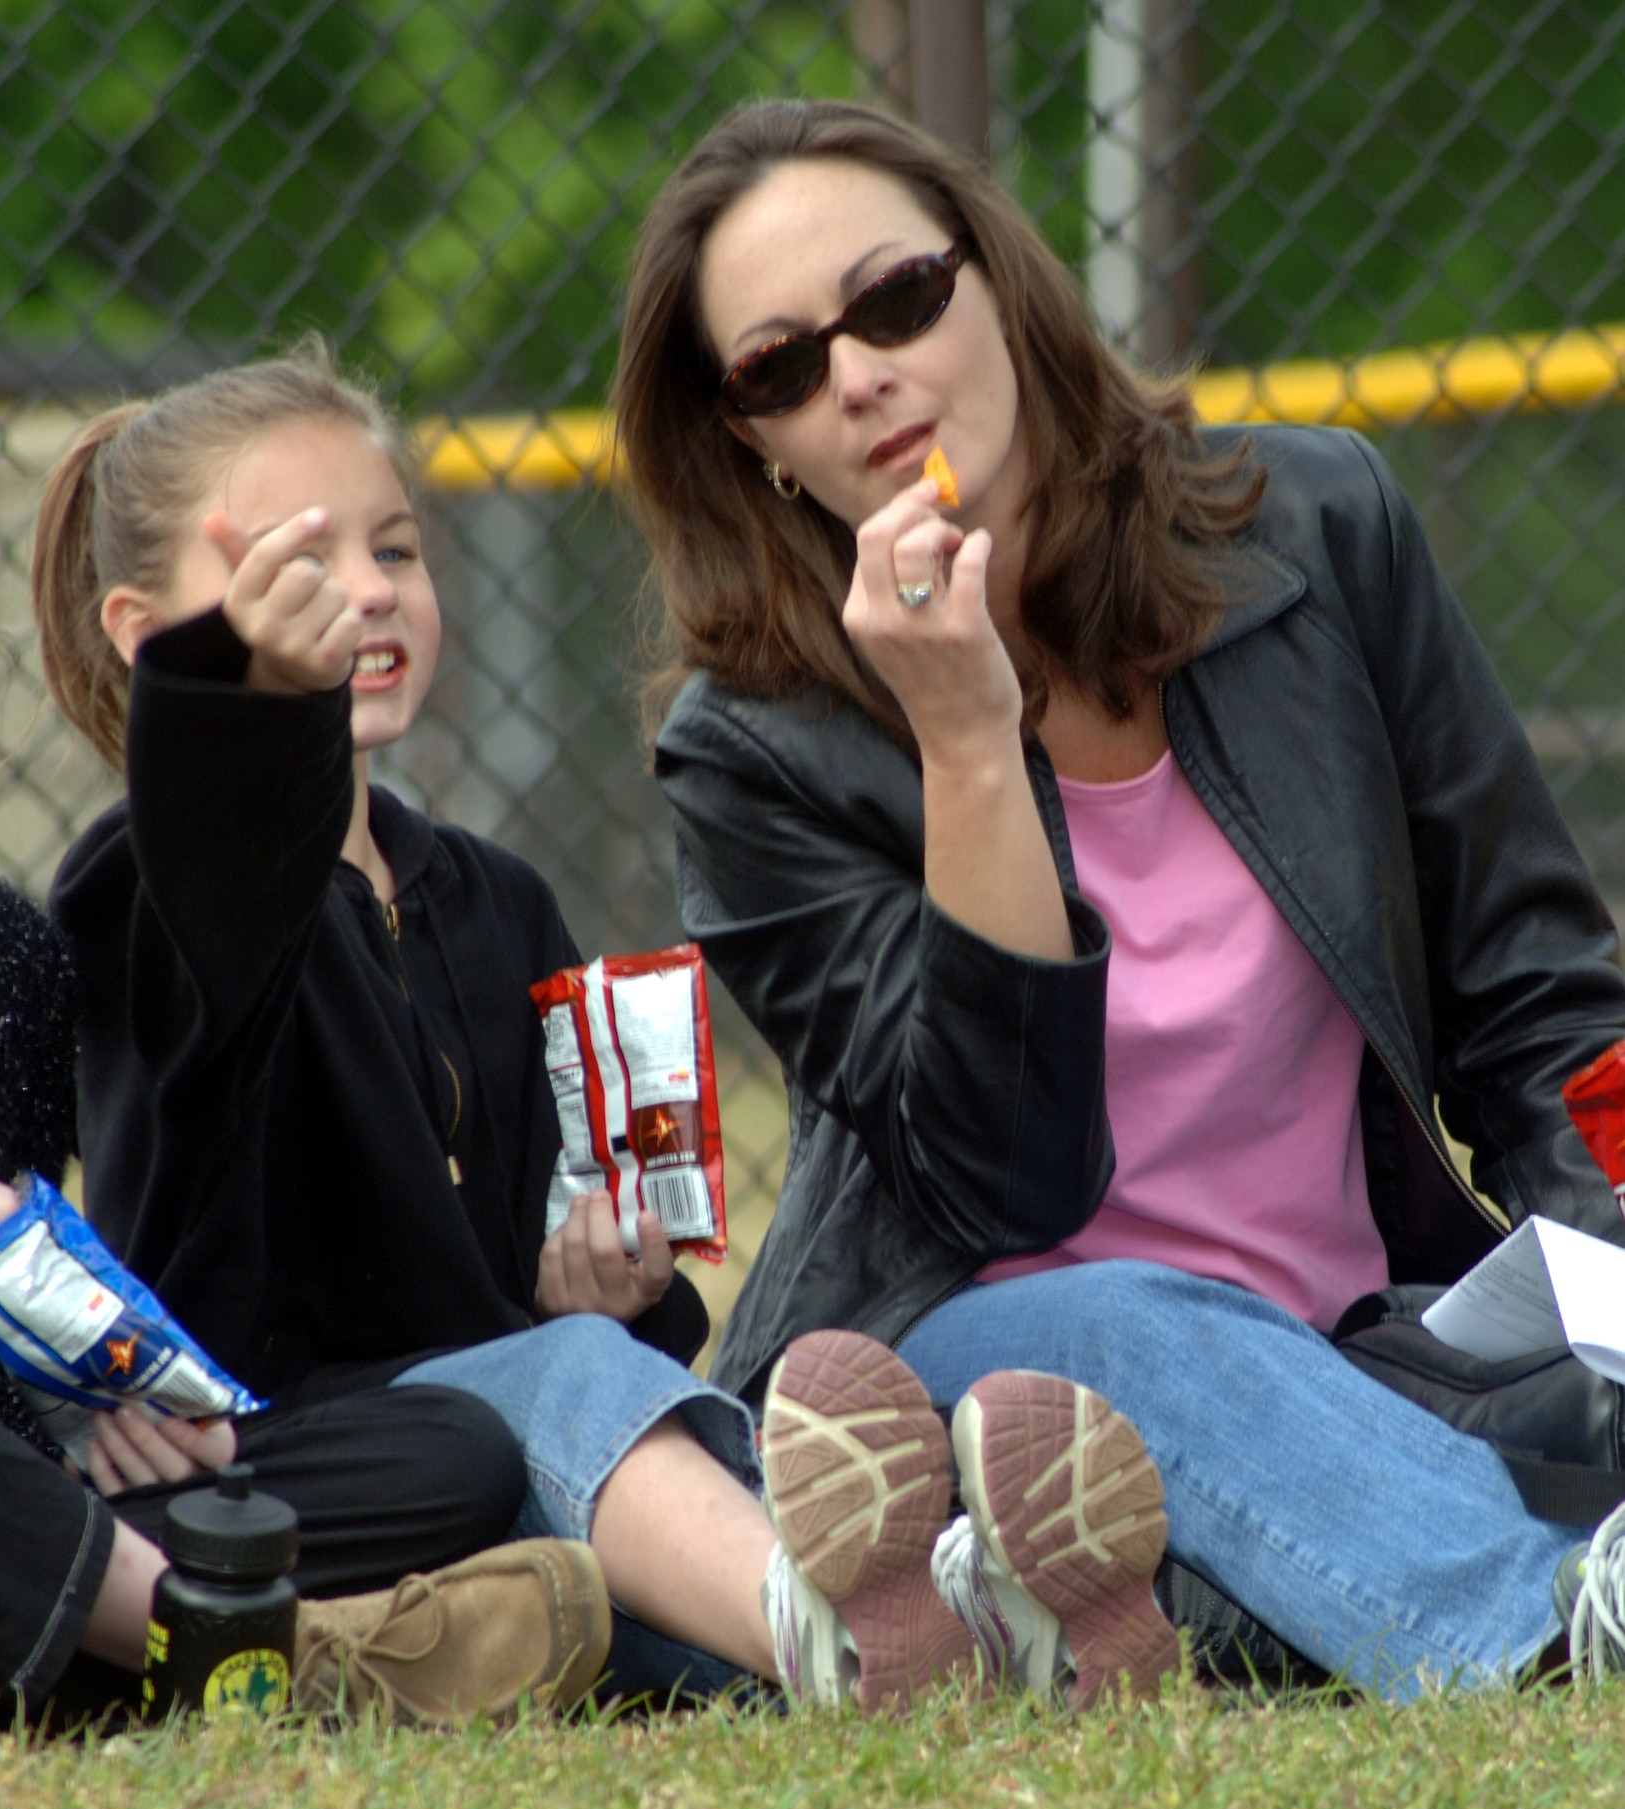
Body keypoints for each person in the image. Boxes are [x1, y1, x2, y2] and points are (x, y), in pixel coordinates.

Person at [618, 97, 1625, 1701]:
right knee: (1132, 1330)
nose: (858, 374)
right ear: (754, 441)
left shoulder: (1315, 528)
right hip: (991, 1353)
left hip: (1359, 1346)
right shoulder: (749, 750)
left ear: (998, 282)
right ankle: (1541, 1629)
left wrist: (1609, 1248)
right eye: (780, 367)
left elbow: (1535, 996)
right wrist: (964, 737)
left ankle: (1082, 1611)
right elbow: (1003, 1178)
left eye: (893, 302)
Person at [35, 343, 1072, 1715]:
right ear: (145, 634)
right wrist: (239, 703)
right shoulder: (150, 890)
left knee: (538, 1421)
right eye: (291, 565)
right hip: (259, 1462)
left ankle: (925, 1609)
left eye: (394, 550)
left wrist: (589, 1286)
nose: (364, 593)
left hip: (498, 1436)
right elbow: (230, 866)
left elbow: (525, 1288)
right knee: (488, 1438)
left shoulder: (492, 903)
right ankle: (857, 1639)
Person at [0, 879, 607, 1727]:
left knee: (462, 1450)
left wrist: (102, 1404)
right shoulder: (136, 880)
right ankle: (291, 1655)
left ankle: (118, 1652)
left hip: (61, 1510)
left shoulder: (11, 949)